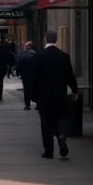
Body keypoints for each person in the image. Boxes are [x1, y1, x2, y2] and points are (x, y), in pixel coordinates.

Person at [34, 30, 79, 159]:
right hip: (60, 94)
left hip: (44, 96)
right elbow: (70, 76)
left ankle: (48, 151)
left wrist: (33, 95)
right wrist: (75, 90)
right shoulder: (63, 56)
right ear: (56, 39)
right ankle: (61, 136)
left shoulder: (39, 56)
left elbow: (33, 77)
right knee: (61, 118)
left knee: (46, 122)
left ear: (45, 39)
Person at [17, 41, 38, 110]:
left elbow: (19, 64)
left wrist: (18, 73)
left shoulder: (22, 54)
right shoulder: (34, 54)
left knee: (26, 90)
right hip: (33, 75)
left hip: (25, 75)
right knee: (34, 89)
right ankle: (36, 103)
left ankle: (27, 105)